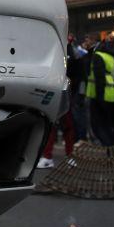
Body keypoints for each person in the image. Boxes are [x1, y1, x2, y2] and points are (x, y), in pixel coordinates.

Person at [37, 36, 78, 169]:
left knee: (63, 125)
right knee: (51, 124)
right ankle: (50, 156)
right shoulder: (60, 48)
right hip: (54, 88)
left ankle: (67, 156)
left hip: (62, 89)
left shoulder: (66, 49)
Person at [86, 37, 114, 146]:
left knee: (97, 125)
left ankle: (109, 149)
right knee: (107, 124)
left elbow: (99, 79)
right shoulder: (111, 56)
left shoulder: (98, 56)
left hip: (100, 95)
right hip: (111, 94)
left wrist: (99, 97)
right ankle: (112, 149)